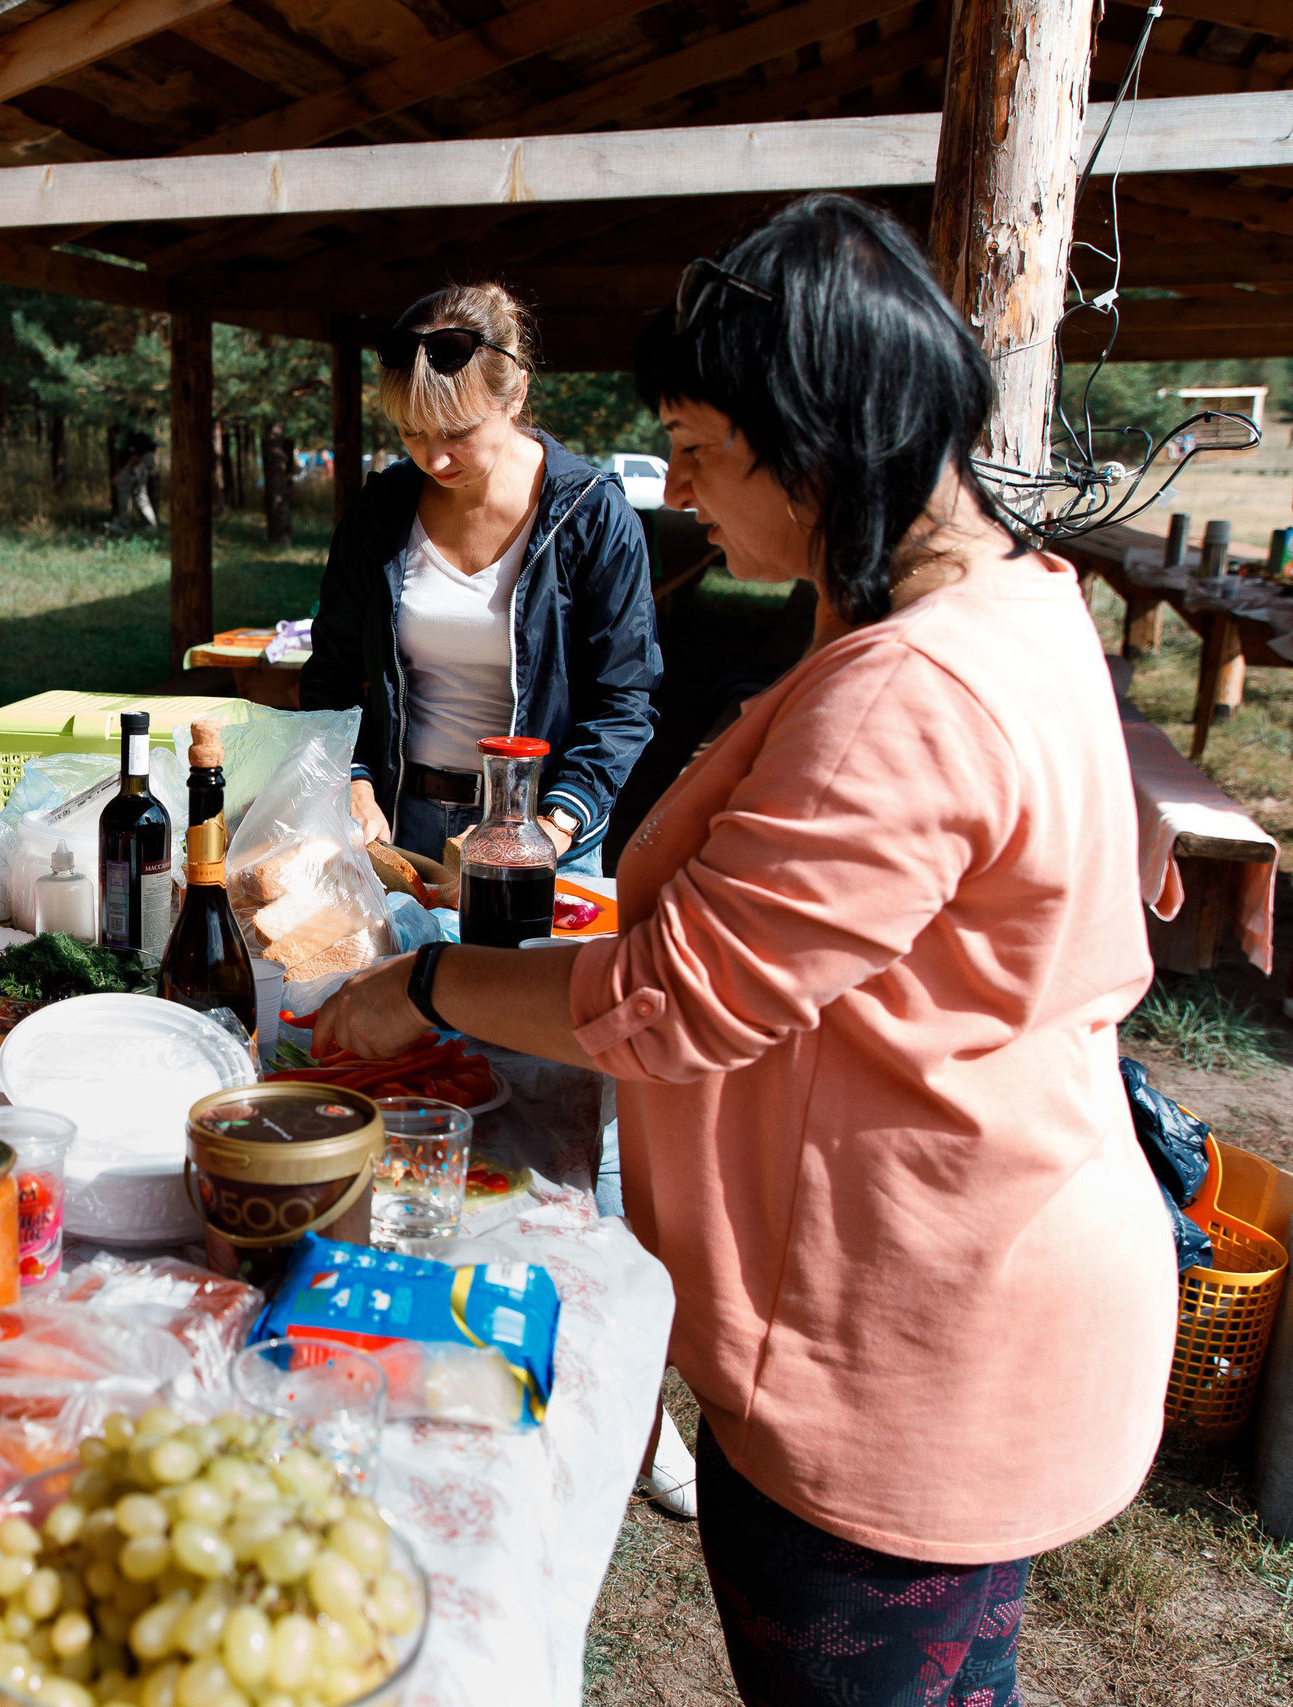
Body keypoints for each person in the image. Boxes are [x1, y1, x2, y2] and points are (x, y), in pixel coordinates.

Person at [313, 196, 1175, 1705]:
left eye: (701, 448)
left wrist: (427, 982)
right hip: (976, 1272)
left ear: (820, 444)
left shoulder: (908, 690)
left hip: (904, 1341)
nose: (680, 490)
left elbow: (666, 1002)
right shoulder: (1009, 600)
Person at [300, 285, 659, 877]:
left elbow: (623, 699)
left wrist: (552, 825)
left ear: (516, 394)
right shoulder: (381, 511)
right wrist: (356, 784)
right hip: (397, 823)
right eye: (412, 432)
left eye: (458, 431)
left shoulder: (591, 516)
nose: (434, 459)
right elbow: (331, 675)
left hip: (545, 829)